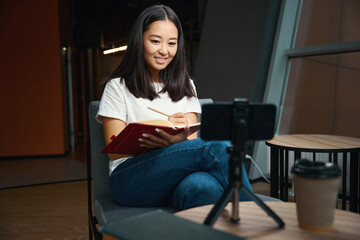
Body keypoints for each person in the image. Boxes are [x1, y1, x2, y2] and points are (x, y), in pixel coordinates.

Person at [96, 4, 252, 210]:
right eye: (155, 41)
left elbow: (192, 143)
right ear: (139, 41)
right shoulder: (117, 87)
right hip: (130, 180)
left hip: (176, 178)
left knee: (203, 186)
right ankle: (254, 216)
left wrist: (178, 139)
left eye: (171, 43)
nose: (164, 50)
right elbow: (114, 152)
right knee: (217, 146)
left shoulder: (186, 85)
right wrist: (161, 143)